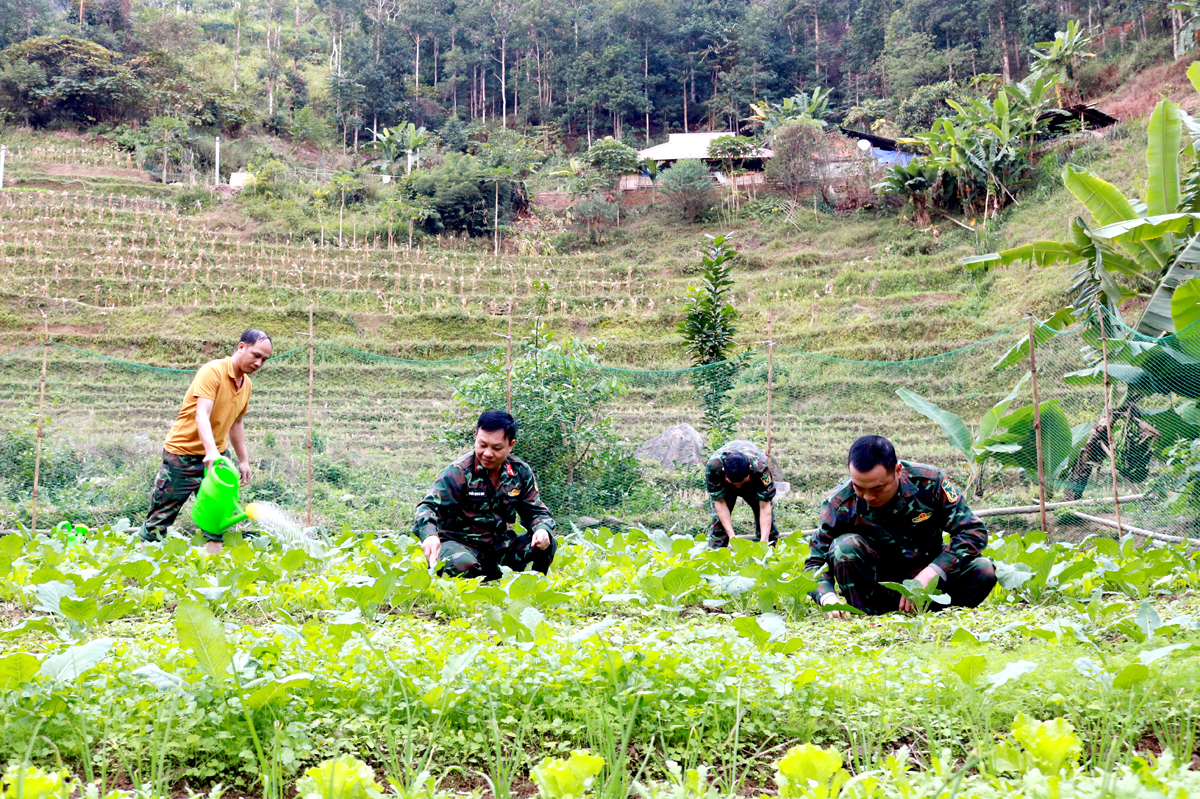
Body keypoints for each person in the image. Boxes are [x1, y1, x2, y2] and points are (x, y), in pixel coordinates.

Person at [806, 435, 996, 617]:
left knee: (983, 569)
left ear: (897, 471)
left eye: (877, 488)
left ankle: (941, 615)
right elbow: (815, 563)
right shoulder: (840, 503)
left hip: (931, 588)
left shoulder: (928, 482)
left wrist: (932, 573)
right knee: (844, 546)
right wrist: (828, 597)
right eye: (859, 487)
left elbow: (972, 532)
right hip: (876, 592)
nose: (868, 496)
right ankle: (867, 618)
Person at [137, 330, 273, 553]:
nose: (259, 363)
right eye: (256, 355)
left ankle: (212, 573)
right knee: (160, 518)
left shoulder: (246, 384)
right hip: (182, 454)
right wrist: (210, 451)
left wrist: (244, 460)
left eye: (264, 360)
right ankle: (141, 570)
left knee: (216, 521)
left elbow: (236, 423)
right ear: (241, 347)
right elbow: (202, 413)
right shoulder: (213, 371)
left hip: (217, 457)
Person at [414, 410, 556, 580]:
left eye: (496, 448)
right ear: (476, 437)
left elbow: (536, 511)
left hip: (499, 549)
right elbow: (428, 507)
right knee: (462, 563)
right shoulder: (458, 472)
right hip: (459, 547)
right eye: (482, 445)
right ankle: (464, 580)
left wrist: (541, 529)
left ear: (511, 445)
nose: (487, 453)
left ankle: (535, 587)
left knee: (546, 543)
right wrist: (429, 535)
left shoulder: (520, 472)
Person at [705, 440, 778, 548]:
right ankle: (716, 557)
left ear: (749, 469)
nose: (738, 487)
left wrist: (764, 542)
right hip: (726, 486)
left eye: (741, 483)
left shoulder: (760, 468)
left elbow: (764, 507)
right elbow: (720, 503)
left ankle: (771, 557)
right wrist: (732, 537)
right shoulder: (714, 467)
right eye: (735, 483)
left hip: (752, 485)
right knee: (719, 526)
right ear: (724, 470)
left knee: (769, 531)